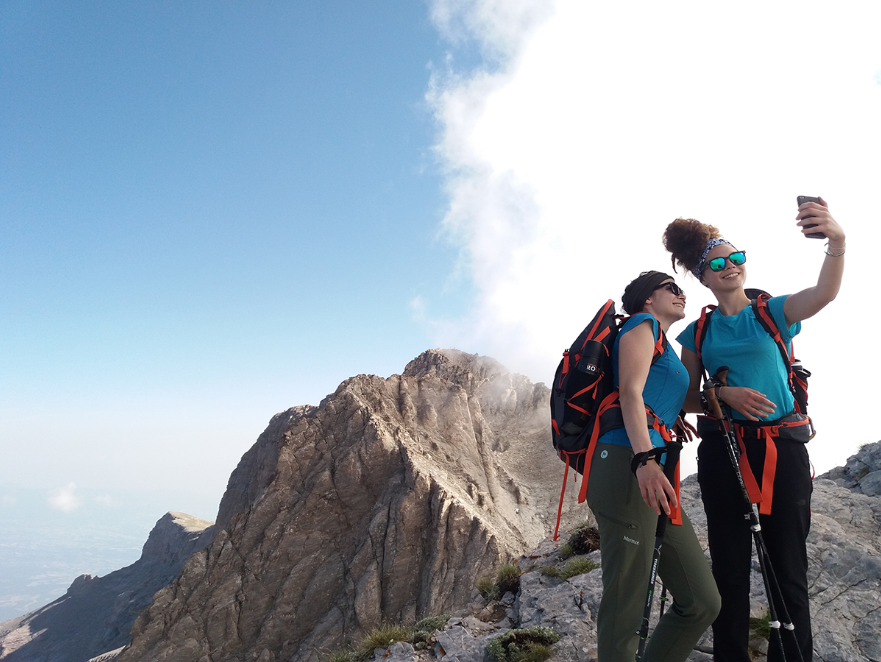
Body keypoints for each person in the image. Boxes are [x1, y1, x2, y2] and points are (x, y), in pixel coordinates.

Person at [663, 197, 845, 662]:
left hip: (782, 450)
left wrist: (837, 243)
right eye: (719, 262)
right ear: (703, 277)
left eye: (736, 257)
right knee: (728, 567)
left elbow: (824, 293)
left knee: (788, 566)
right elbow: (687, 399)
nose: (731, 266)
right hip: (724, 452)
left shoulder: (774, 312)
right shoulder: (698, 334)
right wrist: (723, 396)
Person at [587, 270, 721, 662]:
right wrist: (644, 458)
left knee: (701, 601)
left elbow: (649, 394)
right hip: (628, 465)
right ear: (648, 299)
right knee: (626, 600)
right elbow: (629, 392)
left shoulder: (660, 340)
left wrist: (668, 416)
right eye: (672, 288)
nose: (682, 294)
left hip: (654, 467)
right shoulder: (641, 325)